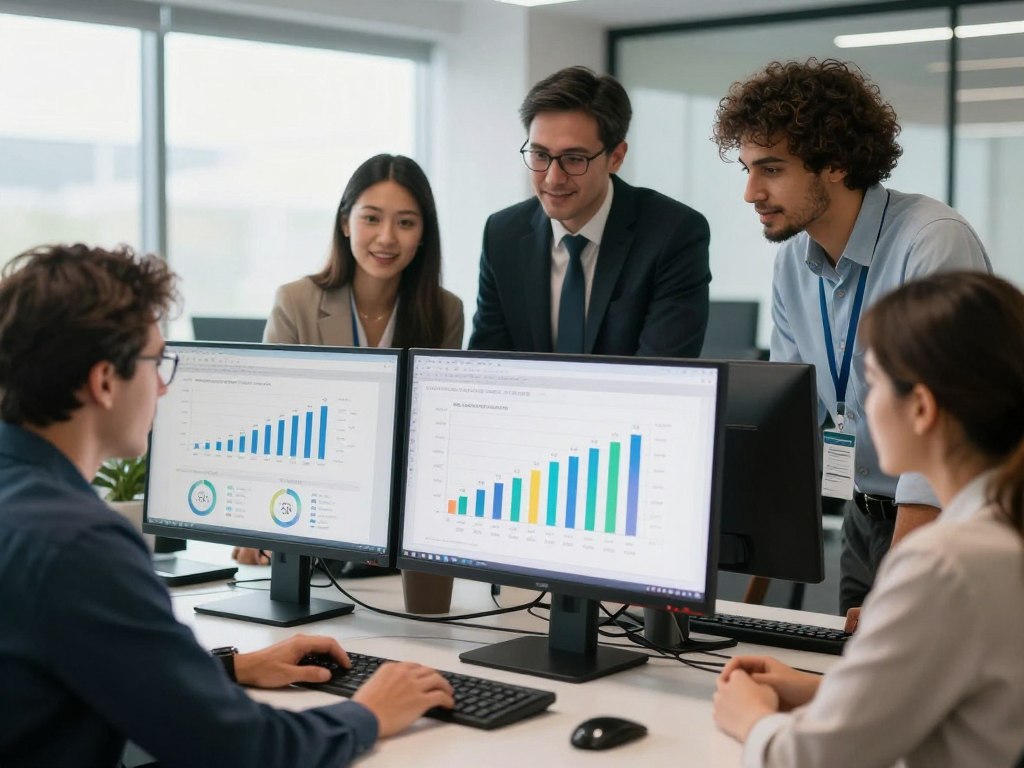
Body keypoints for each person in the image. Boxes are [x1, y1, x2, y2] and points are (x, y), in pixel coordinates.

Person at [0, 244, 454, 768]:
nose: (164, 387)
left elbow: (88, 667)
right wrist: (370, 713)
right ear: (105, 382)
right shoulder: (79, 545)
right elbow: (241, 748)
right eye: (157, 363)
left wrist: (230, 669)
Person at [711, 58, 991, 618]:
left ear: (835, 164)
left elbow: (943, 427)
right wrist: (738, 591)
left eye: (770, 169)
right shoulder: (794, 260)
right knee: (847, 679)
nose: (750, 192)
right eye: (746, 169)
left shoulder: (931, 243)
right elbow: (789, 418)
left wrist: (903, 582)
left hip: (942, 522)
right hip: (863, 515)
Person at [712, 271, 1024, 767]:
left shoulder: (944, 562)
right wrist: (824, 689)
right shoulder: (1000, 528)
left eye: (873, 384)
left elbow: (811, 759)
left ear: (921, 408)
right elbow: (951, 695)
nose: (863, 406)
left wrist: (748, 716)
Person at [233, 153, 464, 567]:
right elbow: (266, 426)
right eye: (371, 218)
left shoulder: (445, 312)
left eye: (406, 222)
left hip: (398, 532)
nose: (387, 238)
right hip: (305, 518)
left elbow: (437, 443)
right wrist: (257, 524)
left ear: (424, 234)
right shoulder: (296, 303)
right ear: (345, 223)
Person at [468, 65, 711, 358]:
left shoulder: (672, 234)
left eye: (573, 159)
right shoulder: (503, 234)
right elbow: (486, 366)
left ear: (616, 157)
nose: (552, 178)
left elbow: (662, 376)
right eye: (540, 155)